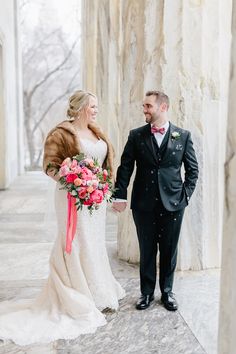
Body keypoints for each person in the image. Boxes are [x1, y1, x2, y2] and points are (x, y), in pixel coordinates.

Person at [0, 90, 125, 345]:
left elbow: (105, 164)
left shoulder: (97, 132)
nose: (95, 110)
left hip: (95, 200)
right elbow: (50, 165)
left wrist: (101, 185)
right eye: (92, 106)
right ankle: (76, 292)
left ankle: (97, 288)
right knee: (75, 241)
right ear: (79, 108)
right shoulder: (61, 133)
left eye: (96, 106)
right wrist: (74, 182)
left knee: (93, 242)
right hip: (72, 198)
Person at [112, 90, 198, 311]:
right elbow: (125, 167)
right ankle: (146, 293)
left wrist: (185, 196)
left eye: (148, 106)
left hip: (174, 204)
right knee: (147, 249)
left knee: (169, 249)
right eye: (144, 106)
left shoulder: (183, 136)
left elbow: (192, 171)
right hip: (143, 204)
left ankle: (167, 292)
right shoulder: (136, 135)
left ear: (163, 107)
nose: (145, 110)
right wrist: (120, 194)